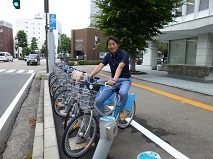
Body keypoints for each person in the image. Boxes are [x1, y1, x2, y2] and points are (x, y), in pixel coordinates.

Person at [89, 36, 132, 121]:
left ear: (118, 44)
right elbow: (100, 66)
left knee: (123, 92)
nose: (112, 46)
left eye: (113, 44)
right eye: (109, 45)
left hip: (124, 80)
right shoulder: (108, 56)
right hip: (113, 80)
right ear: (107, 46)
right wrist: (89, 76)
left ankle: (122, 109)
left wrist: (114, 80)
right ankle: (102, 121)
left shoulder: (124, 54)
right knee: (98, 101)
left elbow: (120, 67)